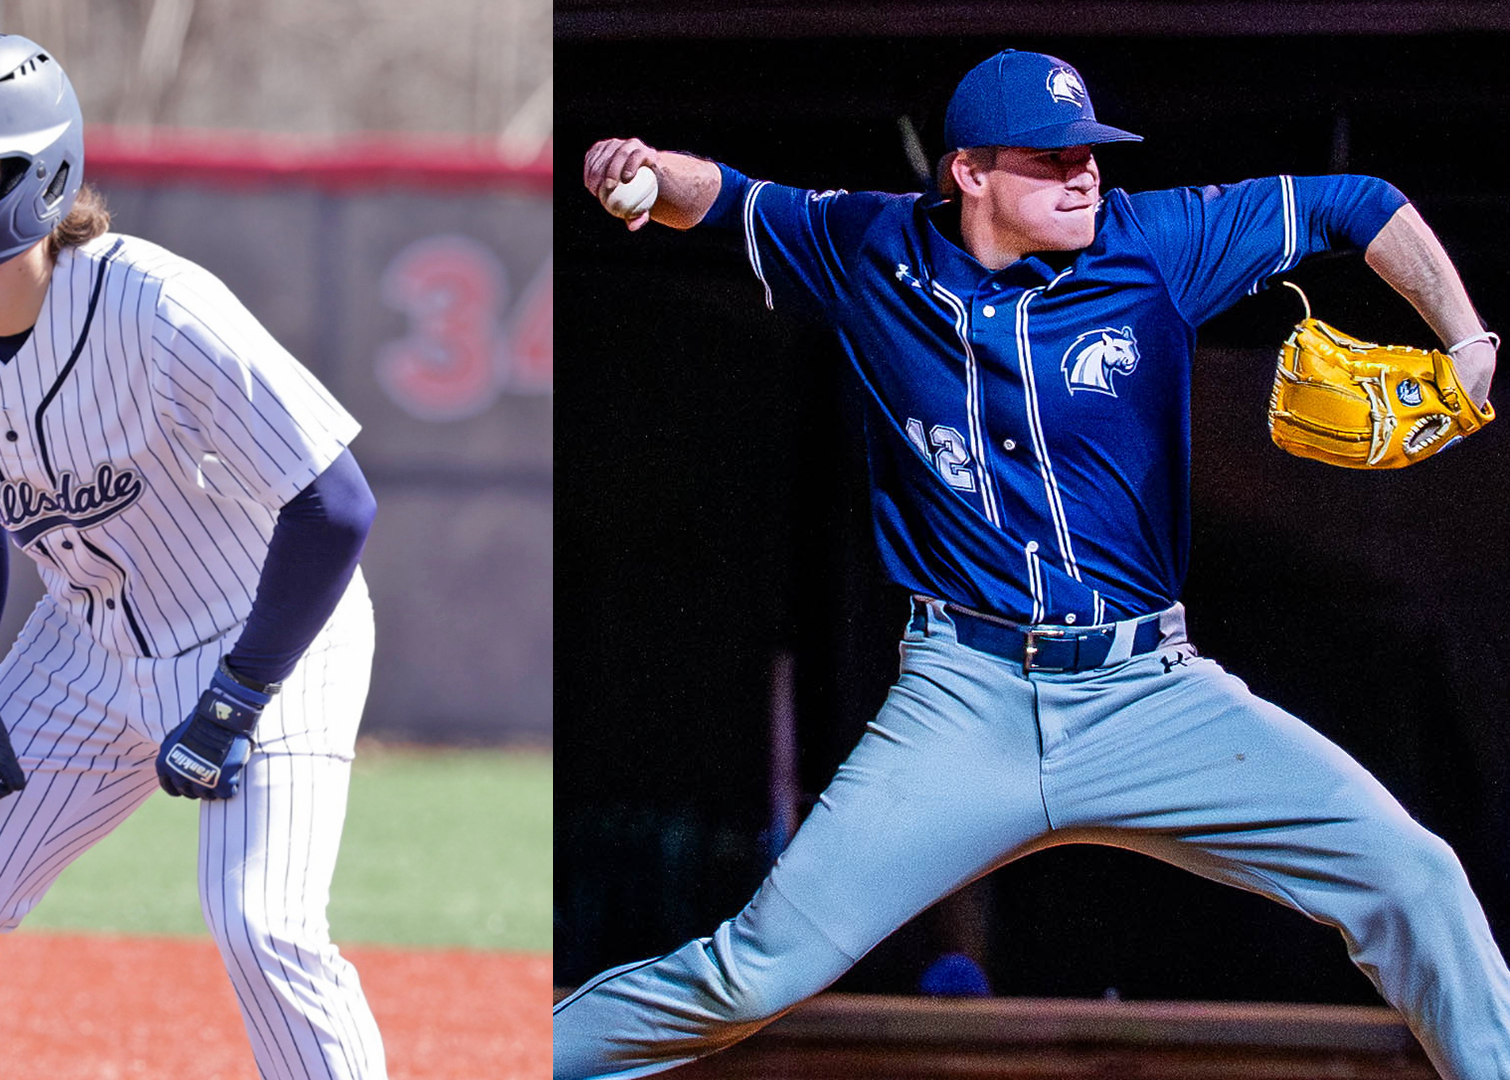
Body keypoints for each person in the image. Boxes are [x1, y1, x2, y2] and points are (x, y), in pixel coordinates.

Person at [560, 48, 1510, 1080]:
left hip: (1150, 696)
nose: (1084, 175)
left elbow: (1357, 203)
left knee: (1411, 878)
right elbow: (730, 200)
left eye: (1089, 154)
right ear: (968, 172)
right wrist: (646, 167)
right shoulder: (871, 247)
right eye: (1051, 159)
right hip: (964, 701)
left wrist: (1466, 339)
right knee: (748, 975)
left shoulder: (1154, 244)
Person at [0, 29, 388, 1080]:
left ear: (32, 176)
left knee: (261, 926)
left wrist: (237, 697)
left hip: (271, 635)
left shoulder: (155, 306)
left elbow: (336, 504)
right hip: (83, 647)